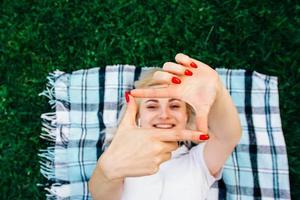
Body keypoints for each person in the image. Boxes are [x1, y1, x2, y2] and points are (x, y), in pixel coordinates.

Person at [89, 53, 242, 200]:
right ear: (138, 117)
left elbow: (227, 137)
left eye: (174, 106)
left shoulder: (198, 161)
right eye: (152, 106)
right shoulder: (122, 160)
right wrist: (106, 170)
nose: (164, 115)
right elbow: (102, 196)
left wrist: (218, 92)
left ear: (187, 116)